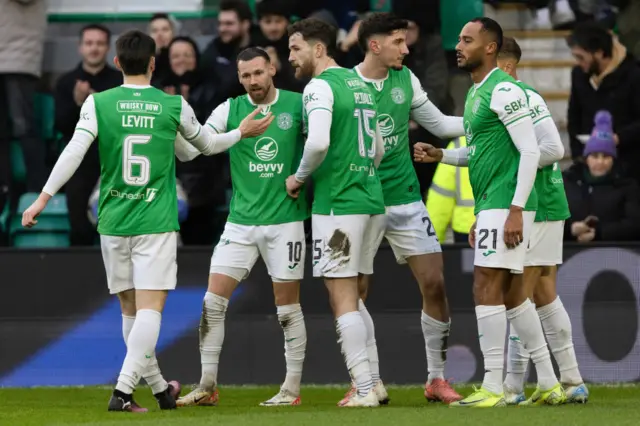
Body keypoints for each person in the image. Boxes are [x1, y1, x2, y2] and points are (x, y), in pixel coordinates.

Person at [21, 30, 272, 412]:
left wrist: (42, 197)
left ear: (117, 63)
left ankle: (158, 390)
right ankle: (122, 391)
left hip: (113, 220)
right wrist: (241, 131)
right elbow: (205, 146)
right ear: (154, 63)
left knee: (130, 310)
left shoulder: (98, 102)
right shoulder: (173, 105)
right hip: (155, 220)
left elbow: (74, 151)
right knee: (150, 309)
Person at [413, 17, 565, 407]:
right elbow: (479, 151)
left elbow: (532, 150)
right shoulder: (479, 93)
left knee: (485, 286)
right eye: (459, 39)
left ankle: (494, 387)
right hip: (495, 203)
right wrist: (443, 154)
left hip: (505, 203)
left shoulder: (504, 90)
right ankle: (548, 381)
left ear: (491, 48)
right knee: (515, 296)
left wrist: (515, 209)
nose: (459, 46)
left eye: (468, 40)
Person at [175, 47, 309, 407]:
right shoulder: (230, 109)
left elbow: (322, 146)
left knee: (287, 310)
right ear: (239, 77)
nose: (253, 81)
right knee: (211, 303)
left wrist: (301, 178)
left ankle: (291, 390)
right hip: (240, 223)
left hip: (286, 222)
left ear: (272, 70)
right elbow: (202, 145)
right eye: (246, 75)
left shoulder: (299, 105)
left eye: (258, 73)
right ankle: (206, 385)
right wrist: (239, 131)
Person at [348, 12, 465, 405]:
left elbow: (443, 125)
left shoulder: (406, 79)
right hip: (361, 201)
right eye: (398, 41)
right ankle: (369, 381)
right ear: (374, 45)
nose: (407, 47)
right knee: (357, 293)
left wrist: (492, 118)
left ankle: (436, 378)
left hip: (405, 196)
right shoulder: (344, 85)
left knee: (434, 282)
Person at [286, 18, 385, 408]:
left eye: (296, 49)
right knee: (356, 298)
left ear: (319, 49)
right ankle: (374, 381)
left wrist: (299, 177)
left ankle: (363, 390)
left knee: (341, 297)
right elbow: (377, 149)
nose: (290, 56)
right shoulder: (359, 83)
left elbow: (319, 141)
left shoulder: (319, 86)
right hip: (370, 199)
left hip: (338, 205)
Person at [497, 36, 589, 405]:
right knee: (541, 294)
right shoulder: (513, 97)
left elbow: (553, 149)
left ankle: (514, 385)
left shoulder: (523, 97)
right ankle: (570, 380)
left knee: (519, 294)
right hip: (543, 201)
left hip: (540, 203)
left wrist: (519, 164)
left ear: (504, 65)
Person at [54, 24, 123, 246]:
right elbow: (61, 126)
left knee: (116, 229)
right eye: (89, 43)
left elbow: (123, 126)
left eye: (99, 43)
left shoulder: (120, 82)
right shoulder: (66, 82)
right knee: (79, 224)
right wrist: (77, 104)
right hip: (79, 162)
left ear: (108, 48)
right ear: (80, 47)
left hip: (115, 162)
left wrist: (96, 105)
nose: (94, 48)